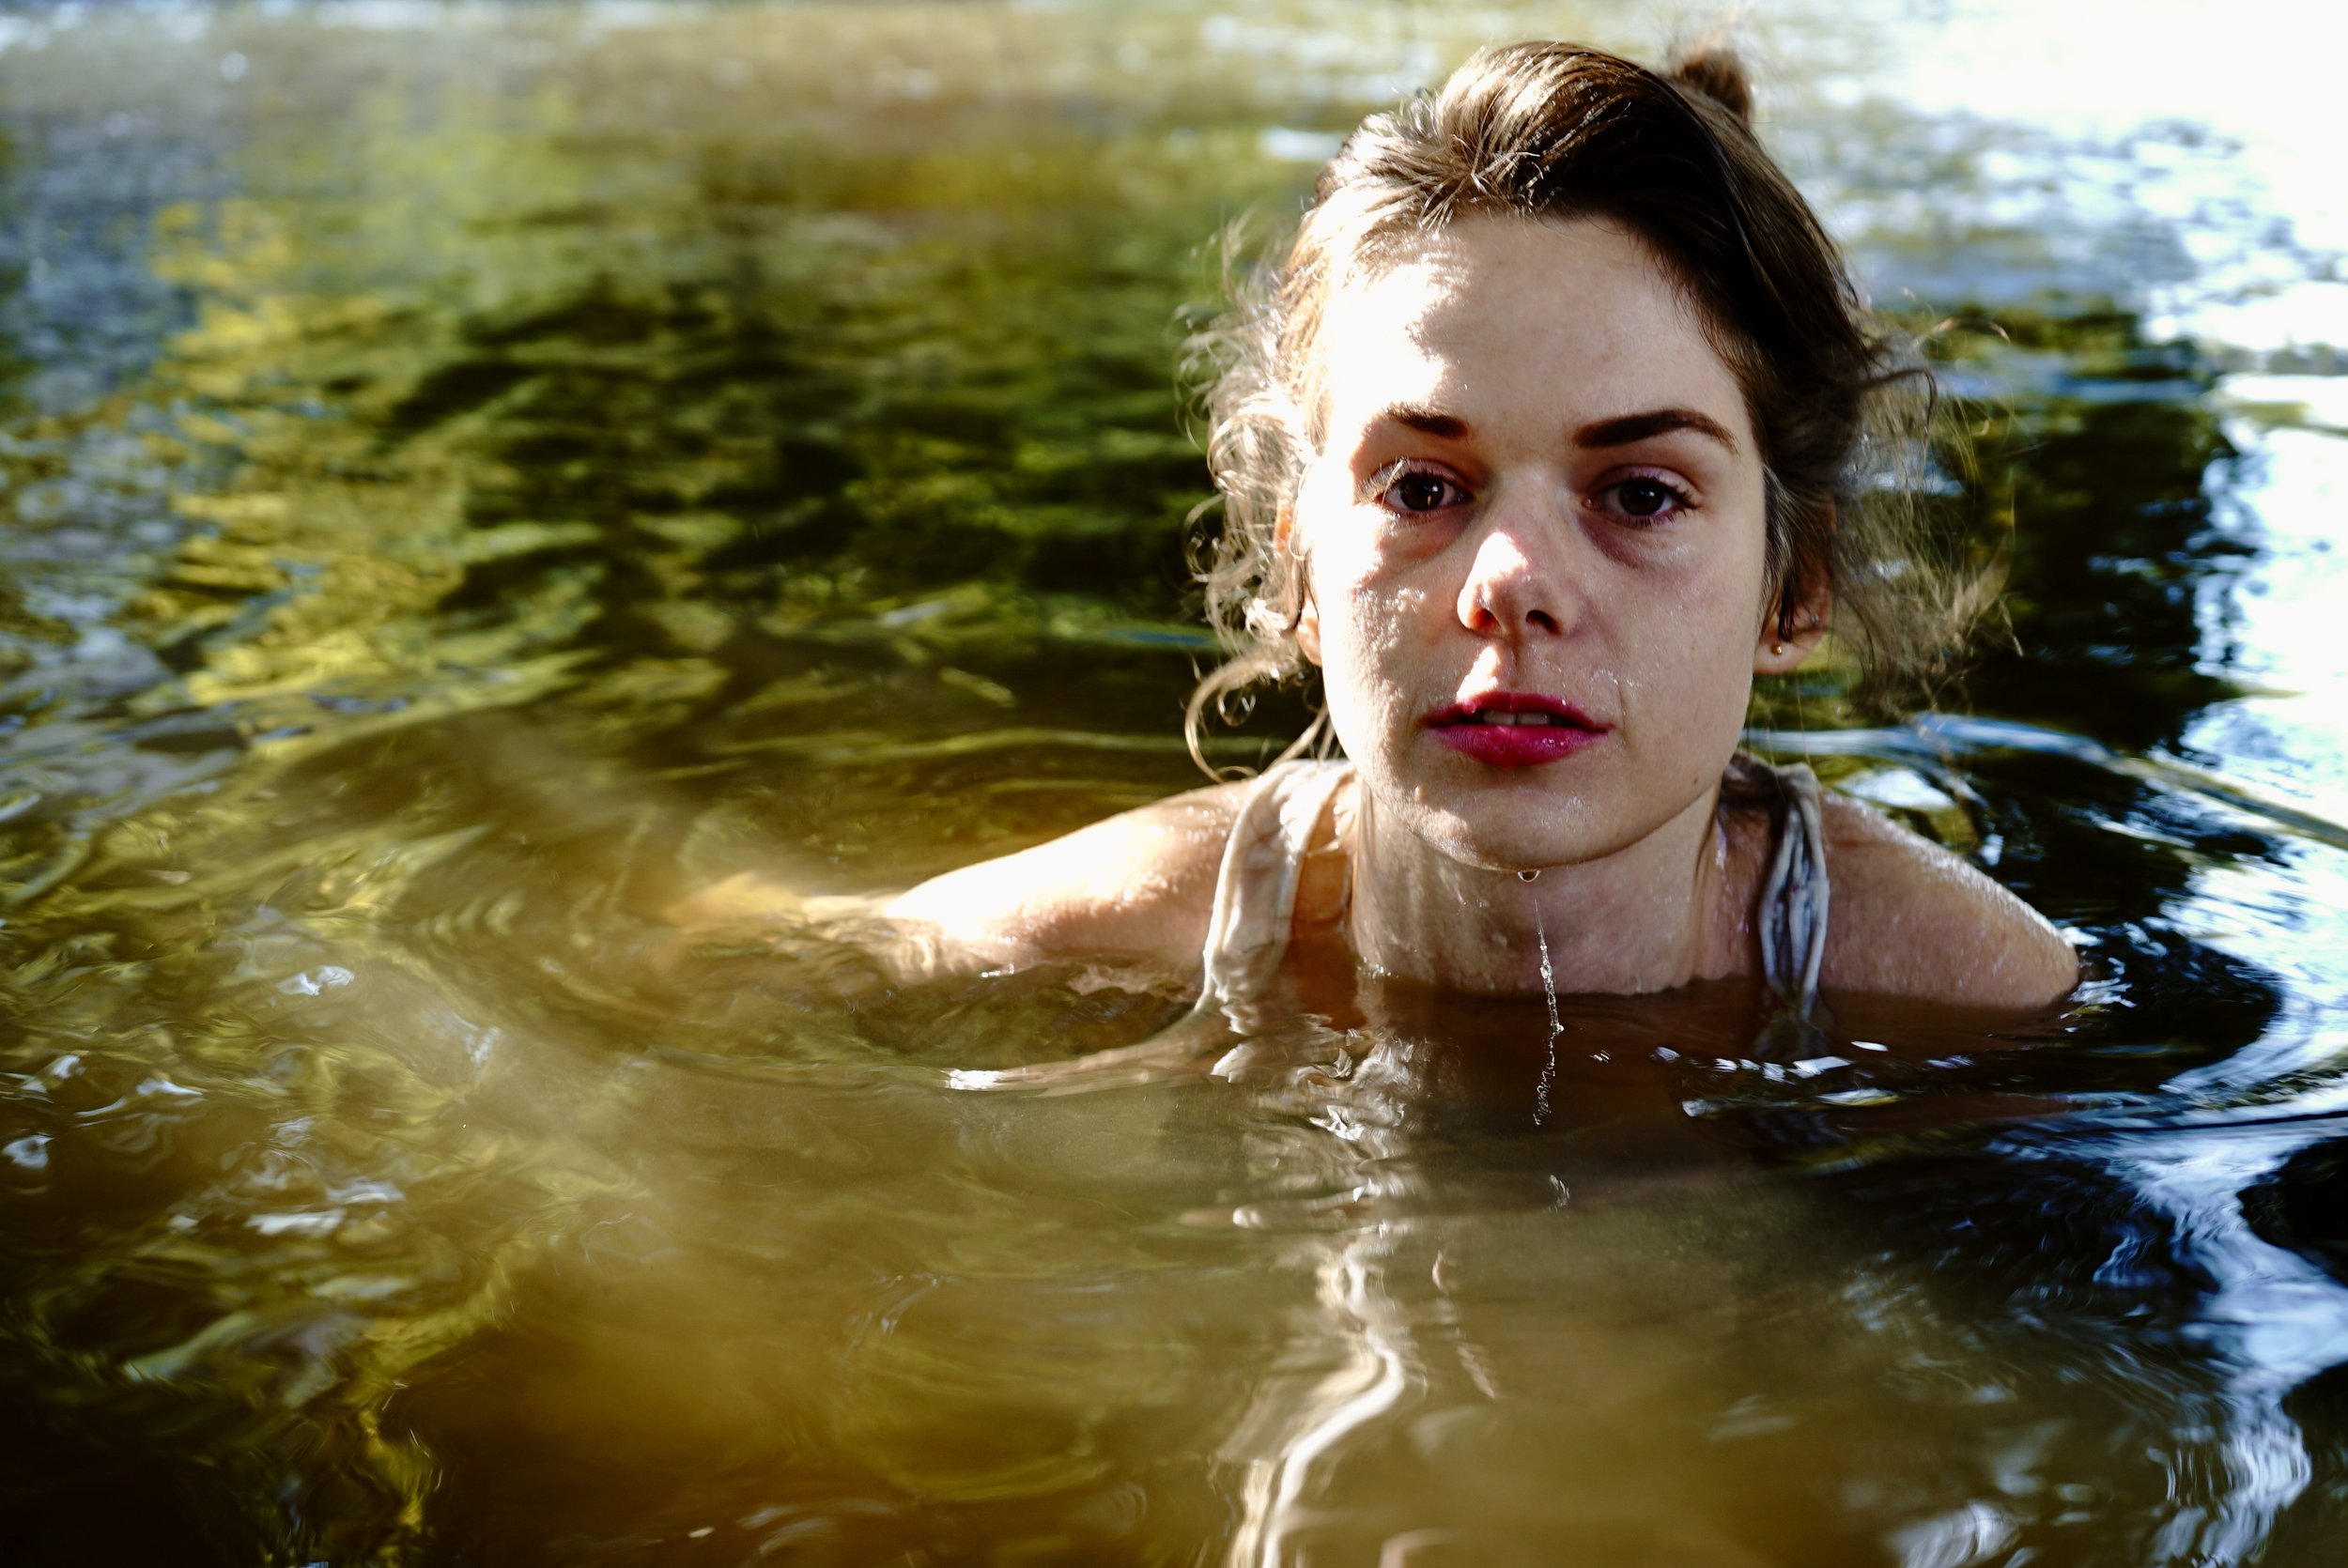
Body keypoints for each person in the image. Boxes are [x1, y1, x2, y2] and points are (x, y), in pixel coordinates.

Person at [687, 39, 2078, 1021]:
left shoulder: (1976, 996)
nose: (1513, 586)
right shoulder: (1114, 928)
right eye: (1423, 488)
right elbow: (736, 955)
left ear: (1797, 585)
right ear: (1296, 563)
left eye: (1640, 494)